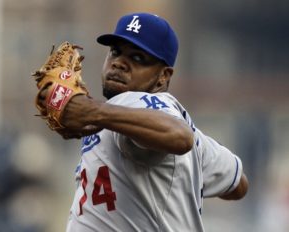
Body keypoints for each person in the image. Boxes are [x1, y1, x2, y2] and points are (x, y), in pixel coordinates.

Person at [59, 12, 249, 231]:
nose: (119, 63)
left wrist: (92, 111)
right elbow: (238, 184)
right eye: (115, 52)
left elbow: (180, 137)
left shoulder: (132, 103)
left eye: (138, 58)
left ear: (164, 76)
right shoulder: (193, 136)